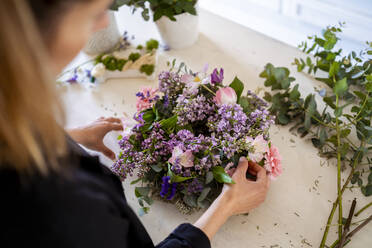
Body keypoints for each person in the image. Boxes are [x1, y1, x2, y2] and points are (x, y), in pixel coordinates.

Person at [0, 0, 270, 247]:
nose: (105, 22)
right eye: (94, 14)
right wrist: (227, 204)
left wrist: (67, 138)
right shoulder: (63, 211)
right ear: (30, 33)